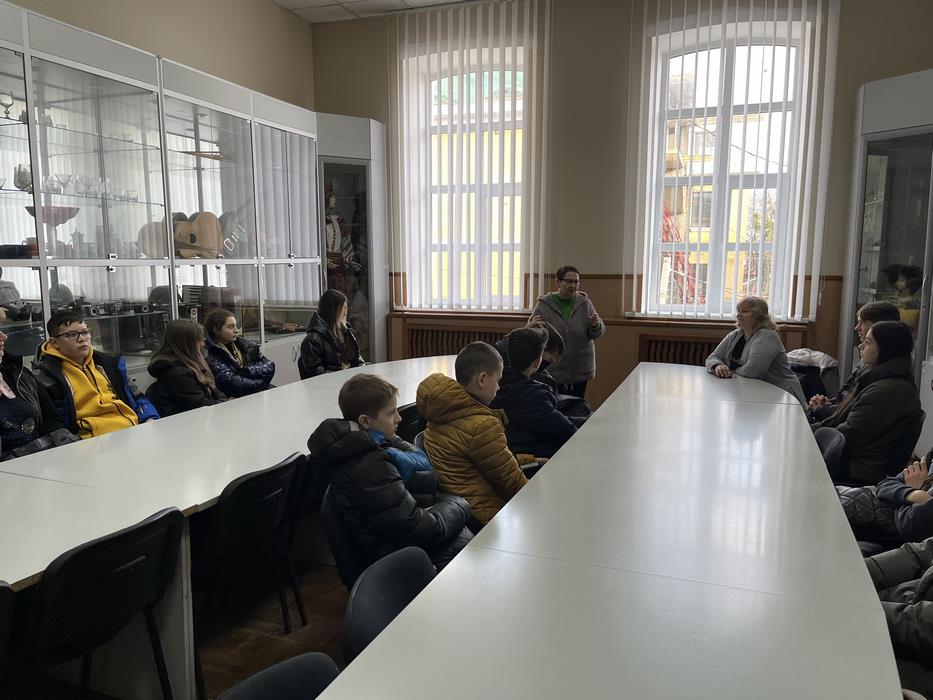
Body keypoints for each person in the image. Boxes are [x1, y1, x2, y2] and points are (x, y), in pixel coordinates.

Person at [307, 374, 472, 570]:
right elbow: (415, 531)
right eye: (391, 412)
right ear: (365, 421)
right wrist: (460, 505)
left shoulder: (371, 445)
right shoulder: (369, 468)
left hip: (404, 543)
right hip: (398, 559)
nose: (399, 418)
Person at [416, 341, 541, 528]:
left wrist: (531, 460)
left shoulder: (442, 411)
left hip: (464, 512)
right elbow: (512, 485)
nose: (498, 388)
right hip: (489, 518)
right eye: (497, 381)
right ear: (482, 380)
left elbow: (488, 461)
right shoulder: (482, 426)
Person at [816, 321, 921, 484]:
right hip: (855, 458)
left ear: (886, 349)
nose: (861, 345)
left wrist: (808, 438)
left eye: (868, 342)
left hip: (859, 468)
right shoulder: (881, 378)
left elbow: (848, 437)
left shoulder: (887, 391)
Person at [34, 310, 159, 438]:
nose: (82, 339)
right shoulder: (46, 377)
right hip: (90, 441)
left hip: (132, 430)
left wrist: (150, 418)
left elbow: (137, 396)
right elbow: (53, 425)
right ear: (54, 343)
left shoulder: (108, 364)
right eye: (72, 335)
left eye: (85, 332)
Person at [490, 327, 577, 458]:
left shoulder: (492, 386)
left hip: (507, 454)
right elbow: (569, 433)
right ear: (537, 363)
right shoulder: (535, 397)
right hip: (535, 460)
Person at [705, 296, 807, 407]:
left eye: (745, 311)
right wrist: (717, 366)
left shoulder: (767, 336)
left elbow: (752, 372)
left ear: (758, 316)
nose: (739, 315)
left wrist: (729, 372)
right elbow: (712, 357)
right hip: (752, 392)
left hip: (782, 397)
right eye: (738, 311)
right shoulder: (735, 335)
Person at [810, 301, 901, 421]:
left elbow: (851, 413)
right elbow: (846, 398)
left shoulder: (881, 376)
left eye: (862, 323)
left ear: (879, 326)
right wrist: (828, 403)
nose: (856, 328)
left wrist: (822, 409)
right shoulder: (868, 364)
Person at [865, 538, 933, 696]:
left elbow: (909, 525)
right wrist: (857, 572)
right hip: (901, 605)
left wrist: (864, 611)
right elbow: (922, 551)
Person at [529, 266, 605, 398]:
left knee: (576, 404)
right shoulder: (543, 304)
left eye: (576, 282)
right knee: (553, 404)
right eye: (569, 281)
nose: (573, 285)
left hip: (580, 366)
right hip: (552, 367)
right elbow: (530, 333)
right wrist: (533, 326)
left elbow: (597, 333)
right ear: (558, 282)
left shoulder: (585, 303)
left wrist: (594, 325)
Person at [838, 452, 933, 550]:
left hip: (878, 530)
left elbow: (908, 525)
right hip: (857, 499)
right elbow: (884, 485)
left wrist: (907, 491)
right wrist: (916, 494)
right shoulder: (931, 457)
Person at [0, 323, 69, 458]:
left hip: (39, 460)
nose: (4, 337)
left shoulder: (19, 372)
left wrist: (61, 449)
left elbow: (51, 418)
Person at [147, 320, 226, 416]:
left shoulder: (189, 365)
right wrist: (224, 400)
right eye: (199, 339)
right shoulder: (179, 374)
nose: (203, 343)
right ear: (188, 343)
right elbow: (204, 409)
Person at [203, 308, 275, 398]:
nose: (236, 330)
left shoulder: (243, 344)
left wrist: (244, 372)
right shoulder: (210, 352)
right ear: (216, 330)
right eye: (230, 327)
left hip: (255, 390)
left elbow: (269, 365)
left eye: (236, 326)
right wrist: (260, 383)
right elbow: (232, 383)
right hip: (233, 398)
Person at [297, 289, 363, 379]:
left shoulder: (347, 332)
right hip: (328, 385)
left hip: (347, 383)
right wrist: (343, 378)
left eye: (345, 307)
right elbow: (315, 375)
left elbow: (358, 362)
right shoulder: (313, 340)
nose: (345, 311)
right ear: (332, 310)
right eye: (343, 308)